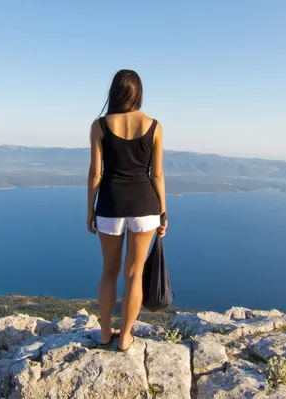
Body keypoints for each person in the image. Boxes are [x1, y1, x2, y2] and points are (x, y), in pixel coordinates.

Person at [87, 69, 167, 352]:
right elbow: (157, 174)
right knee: (134, 274)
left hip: (109, 204)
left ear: (114, 92)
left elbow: (96, 174)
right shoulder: (154, 126)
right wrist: (164, 212)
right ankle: (126, 337)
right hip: (146, 206)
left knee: (109, 272)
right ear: (138, 93)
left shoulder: (100, 125)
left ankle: (106, 333)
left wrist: (90, 210)